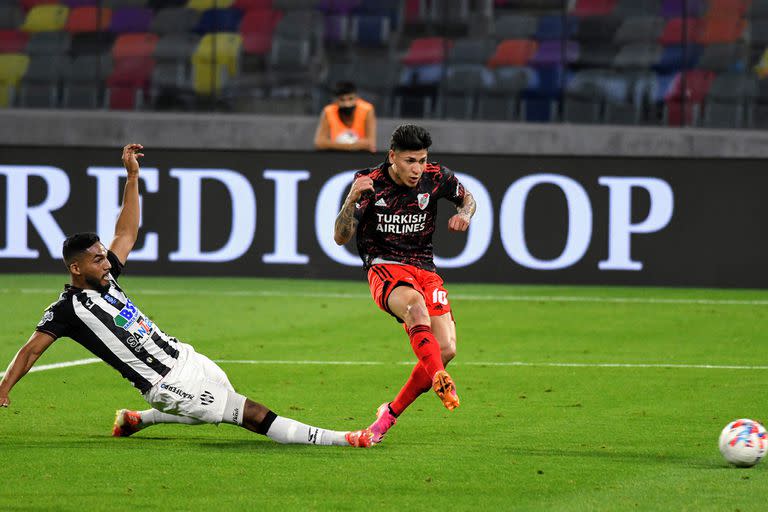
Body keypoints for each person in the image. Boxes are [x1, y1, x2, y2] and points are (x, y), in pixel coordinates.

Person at [0, 143, 372, 449]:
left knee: (224, 400)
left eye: (104, 256)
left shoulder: (106, 279)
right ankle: (344, 439)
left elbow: (126, 233)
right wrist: (4, 388)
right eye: (97, 260)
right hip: (163, 382)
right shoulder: (68, 310)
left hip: (183, 355)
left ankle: (135, 420)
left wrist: (132, 178)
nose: (107, 264)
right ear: (76, 268)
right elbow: (31, 349)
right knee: (250, 414)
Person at [333, 124, 476, 444]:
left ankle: (389, 414)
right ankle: (439, 376)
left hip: (424, 267)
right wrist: (350, 198)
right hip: (385, 267)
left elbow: (468, 199)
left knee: (446, 348)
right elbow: (341, 236)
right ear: (392, 157)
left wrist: (465, 214)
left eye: (422, 160)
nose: (417, 169)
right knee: (415, 307)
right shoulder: (370, 184)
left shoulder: (437, 177)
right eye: (410, 161)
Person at [314, 81, 376, 153]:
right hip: (336, 156)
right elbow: (319, 143)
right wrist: (354, 145)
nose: (347, 104)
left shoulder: (367, 109)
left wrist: (333, 144)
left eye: (350, 99)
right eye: (342, 100)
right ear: (335, 100)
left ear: (357, 98)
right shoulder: (328, 111)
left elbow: (370, 143)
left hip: (361, 156)